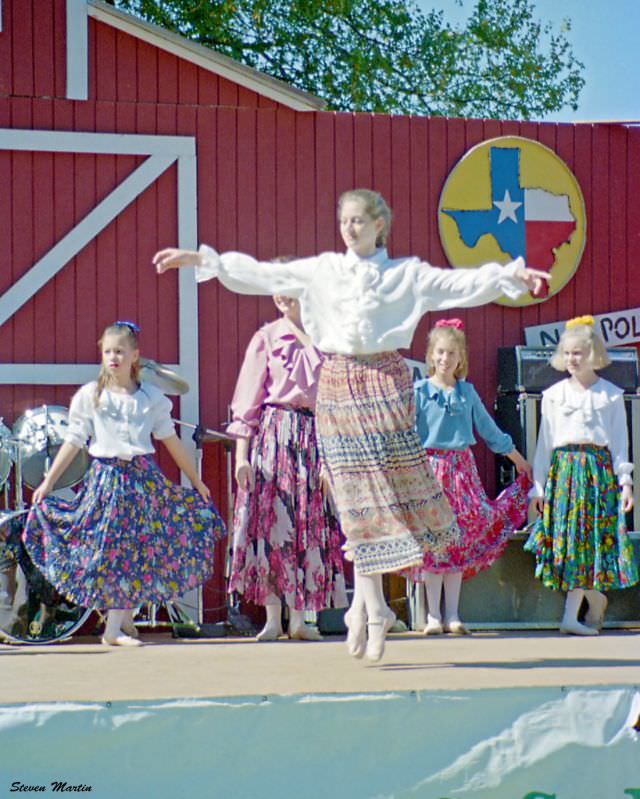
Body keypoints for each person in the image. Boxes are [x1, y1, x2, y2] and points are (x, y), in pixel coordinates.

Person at [153, 188, 548, 661]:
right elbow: (265, 273)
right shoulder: (323, 270)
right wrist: (204, 258)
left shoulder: (405, 275)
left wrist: (512, 275)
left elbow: (458, 284)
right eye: (344, 220)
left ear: (380, 224)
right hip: (336, 382)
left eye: (359, 220)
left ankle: (369, 604)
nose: (350, 227)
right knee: (352, 499)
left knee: (379, 497)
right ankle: (370, 604)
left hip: (384, 381)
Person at [22, 321, 225, 646]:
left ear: (135, 356)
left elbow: (170, 441)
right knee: (114, 548)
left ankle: (123, 621)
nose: (113, 357)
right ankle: (113, 629)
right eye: (107, 351)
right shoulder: (91, 396)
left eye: (119, 351)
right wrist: (48, 483)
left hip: (142, 479)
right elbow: (74, 441)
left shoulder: (149, 398)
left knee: (139, 548)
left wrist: (197, 482)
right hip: (107, 479)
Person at [228, 292, 347, 642]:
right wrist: (241, 457)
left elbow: (333, 404)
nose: (282, 295)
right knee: (272, 525)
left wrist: (331, 459)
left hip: (313, 437)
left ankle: (299, 620)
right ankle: (272, 619)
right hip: (274, 435)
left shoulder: (326, 339)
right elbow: (246, 405)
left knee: (307, 526)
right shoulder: (265, 338)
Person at [406, 318, 531, 635]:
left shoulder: (467, 393)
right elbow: (405, 433)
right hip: (430, 471)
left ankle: (453, 614)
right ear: (431, 355)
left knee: (458, 540)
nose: (445, 359)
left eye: (452, 353)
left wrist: (517, 459)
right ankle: (432, 614)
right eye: (440, 352)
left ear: (461, 358)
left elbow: (489, 430)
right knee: (435, 543)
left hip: (460, 472)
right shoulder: (419, 392)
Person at [525, 316, 638, 635]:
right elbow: (544, 445)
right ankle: (592, 601)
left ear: (592, 354)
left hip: (596, 472)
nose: (573, 359)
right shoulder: (553, 395)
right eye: (568, 353)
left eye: (579, 353)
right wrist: (538, 488)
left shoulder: (610, 395)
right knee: (566, 541)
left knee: (588, 541)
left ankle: (571, 616)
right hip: (563, 472)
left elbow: (619, 442)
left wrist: (625, 481)